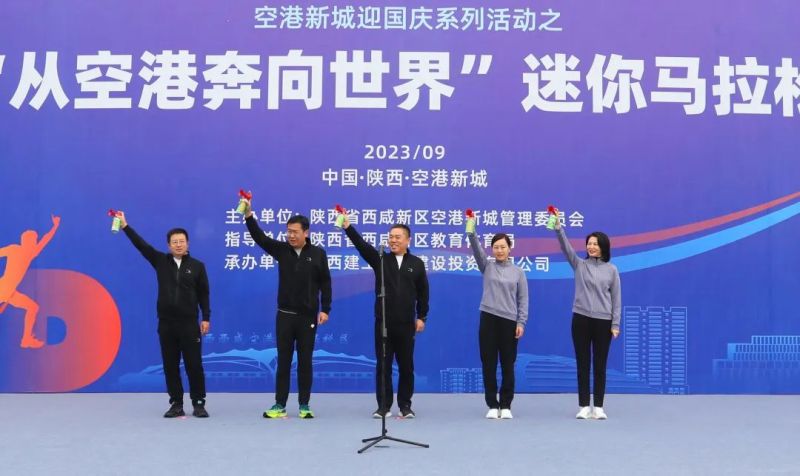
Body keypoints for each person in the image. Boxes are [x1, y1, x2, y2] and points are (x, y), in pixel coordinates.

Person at [118, 212, 211, 418]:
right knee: (170, 365)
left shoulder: (197, 266)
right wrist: (125, 226)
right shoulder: (160, 261)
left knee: (194, 365)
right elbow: (142, 246)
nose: (178, 245)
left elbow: (204, 294)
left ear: (187, 243)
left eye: (182, 241)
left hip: (189, 324)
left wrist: (205, 317)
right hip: (167, 324)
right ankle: (176, 403)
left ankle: (198, 403)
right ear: (169, 245)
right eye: (174, 242)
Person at [244, 202, 331, 419]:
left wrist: (325, 309)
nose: (291, 235)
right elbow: (260, 238)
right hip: (284, 316)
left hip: (308, 317)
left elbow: (326, 283)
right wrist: (249, 216)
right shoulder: (282, 250)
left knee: (305, 361)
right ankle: (279, 404)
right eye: (288, 231)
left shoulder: (318, 254)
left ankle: (304, 405)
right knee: (283, 361)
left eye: (295, 232)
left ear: (306, 232)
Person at [341, 214, 428, 419]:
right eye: (391, 237)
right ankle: (383, 406)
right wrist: (348, 227)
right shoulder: (380, 259)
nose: (393, 240)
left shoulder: (416, 263)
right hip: (383, 323)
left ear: (408, 240)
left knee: (406, 367)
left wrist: (422, 316)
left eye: (398, 237)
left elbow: (423, 292)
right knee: (383, 366)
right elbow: (362, 246)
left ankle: (405, 406)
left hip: (406, 324)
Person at [554, 217, 621, 420]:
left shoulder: (612, 270)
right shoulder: (579, 265)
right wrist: (558, 228)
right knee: (582, 364)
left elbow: (616, 298)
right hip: (581, 320)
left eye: (595, 244)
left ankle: (598, 406)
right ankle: (584, 405)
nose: (591, 247)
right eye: (589, 244)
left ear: (603, 247)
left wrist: (615, 324)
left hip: (603, 322)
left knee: (600, 365)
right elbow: (565, 248)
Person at [467, 227, 528, 419]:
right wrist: (471, 230)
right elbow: (476, 248)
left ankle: (506, 404)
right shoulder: (487, 266)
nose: (499, 250)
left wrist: (521, 322)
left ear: (510, 248)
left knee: (508, 364)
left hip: (509, 322)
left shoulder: (518, 272)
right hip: (488, 319)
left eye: (503, 247)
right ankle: (492, 404)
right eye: (496, 247)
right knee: (489, 364)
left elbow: (523, 299)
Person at [0, 215, 60, 349]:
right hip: (3, 289)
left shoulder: (30, 254)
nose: (35, 242)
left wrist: (55, 226)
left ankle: (26, 339)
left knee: (33, 307)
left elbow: (45, 240)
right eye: (33, 240)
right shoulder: (14, 249)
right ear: (25, 241)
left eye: (35, 240)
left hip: (10, 293)